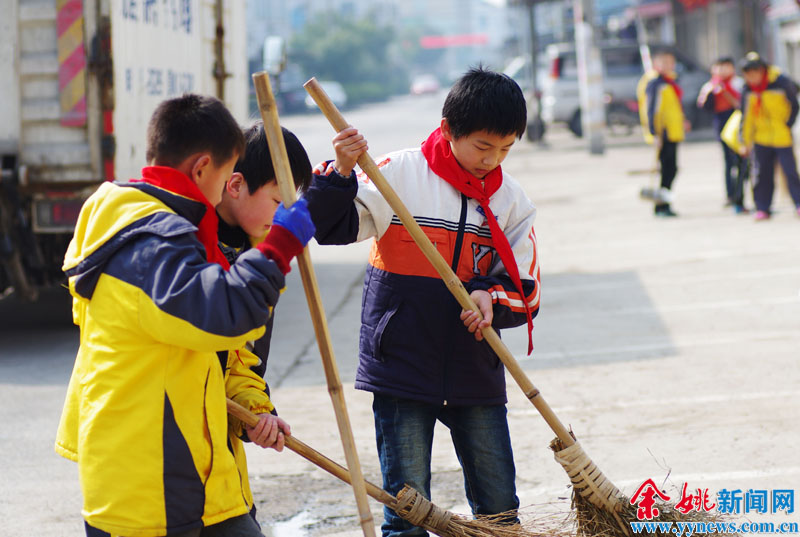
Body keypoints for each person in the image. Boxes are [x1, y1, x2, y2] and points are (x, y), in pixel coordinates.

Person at [56, 94, 315, 537]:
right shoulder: (148, 244)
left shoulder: (182, 233)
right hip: (146, 484)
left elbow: (224, 354)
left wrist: (255, 410)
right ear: (201, 169)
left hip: (199, 468)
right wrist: (278, 250)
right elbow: (222, 315)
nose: (226, 188)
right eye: (226, 173)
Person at [307, 67, 540, 537]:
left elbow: (527, 288)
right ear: (449, 129)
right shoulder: (396, 175)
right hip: (402, 363)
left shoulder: (511, 201)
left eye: (505, 149)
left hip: (475, 365)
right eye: (482, 146)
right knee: (407, 512)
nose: (492, 161)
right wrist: (342, 173)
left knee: (499, 510)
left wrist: (488, 295)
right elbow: (330, 229)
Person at [215, 121, 366, 522]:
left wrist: (257, 414)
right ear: (234, 185)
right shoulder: (188, 246)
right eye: (278, 200)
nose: (284, 216)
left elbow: (240, 361)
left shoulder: (259, 255)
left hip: (217, 463)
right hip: (165, 461)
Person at [739, 51, 800, 220]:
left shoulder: (781, 82)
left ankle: (798, 203)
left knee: (790, 172)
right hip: (760, 138)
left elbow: (794, 106)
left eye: (754, 74)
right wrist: (744, 141)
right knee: (761, 174)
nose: (751, 78)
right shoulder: (747, 90)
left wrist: (787, 124)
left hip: (782, 136)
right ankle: (763, 207)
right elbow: (745, 117)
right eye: (747, 75)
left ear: (762, 70)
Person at [641, 49, 689, 217]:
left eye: (671, 62)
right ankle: (661, 205)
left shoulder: (670, 82)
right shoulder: (655, 83)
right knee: (667, 169)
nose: (669, 65)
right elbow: (651, 109)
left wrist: (683, 121)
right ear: (656, 64)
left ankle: (665, 203)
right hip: (663, 133)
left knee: (672, 169)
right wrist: (654, 133)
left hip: (673, 132)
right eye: (664, 62)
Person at [697, 56, 748, 213]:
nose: (722, 70)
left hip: (737, 123)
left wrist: (726, 92)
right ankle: (730, 194)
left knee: (741, 161)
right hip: (721, 124)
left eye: (726, 67)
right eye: (719, 67)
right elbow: (704, 106)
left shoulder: (738, 83)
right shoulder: (709, 86)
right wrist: (713, 92)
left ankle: (739, 193)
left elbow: (741, 104)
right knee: (728, 161)